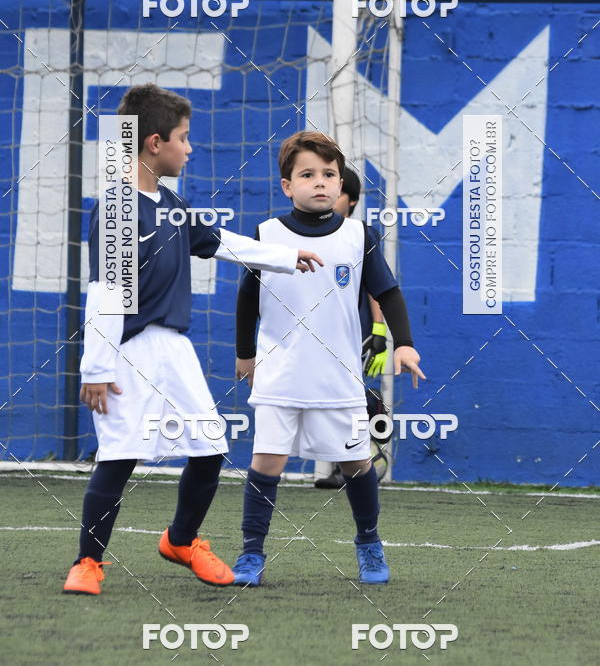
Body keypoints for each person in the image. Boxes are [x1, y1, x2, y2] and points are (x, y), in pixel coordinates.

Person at [63, 84, 323, 596]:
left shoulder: (172, 203)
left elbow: (219, 241)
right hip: (124, 351)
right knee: (117, 455)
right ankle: (87, 563)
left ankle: (181, 541)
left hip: (173, 349)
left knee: (209, 447)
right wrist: (96, 367)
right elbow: (106, 293)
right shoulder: (118, 206)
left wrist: (282, 255)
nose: (190, 147)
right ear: (155, 142)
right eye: (184, 138)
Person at [233, 131, 424, 586]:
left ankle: (369, 544)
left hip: (339, 378)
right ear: (287, 185)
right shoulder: (267, 235)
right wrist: (245, 355)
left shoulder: (360, 236)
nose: (320, 182)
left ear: (341, 184)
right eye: (308, 174)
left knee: (357, 464)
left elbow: (389, 293)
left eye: (329, 175)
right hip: (280, 375)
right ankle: (251, 554)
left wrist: (404, 342)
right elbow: (247, 297)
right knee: (266, 462)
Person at [314, 166, 390, 489]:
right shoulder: (306, 234)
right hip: (314, 330)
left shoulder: (360, 235)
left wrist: (379, 331)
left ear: (352, 199)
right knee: (320, 392)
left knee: (341, 396)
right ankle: (370, 405)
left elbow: (378, 288)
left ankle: (347, 460)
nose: (328, 193)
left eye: (339, 189)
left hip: (351, 331)